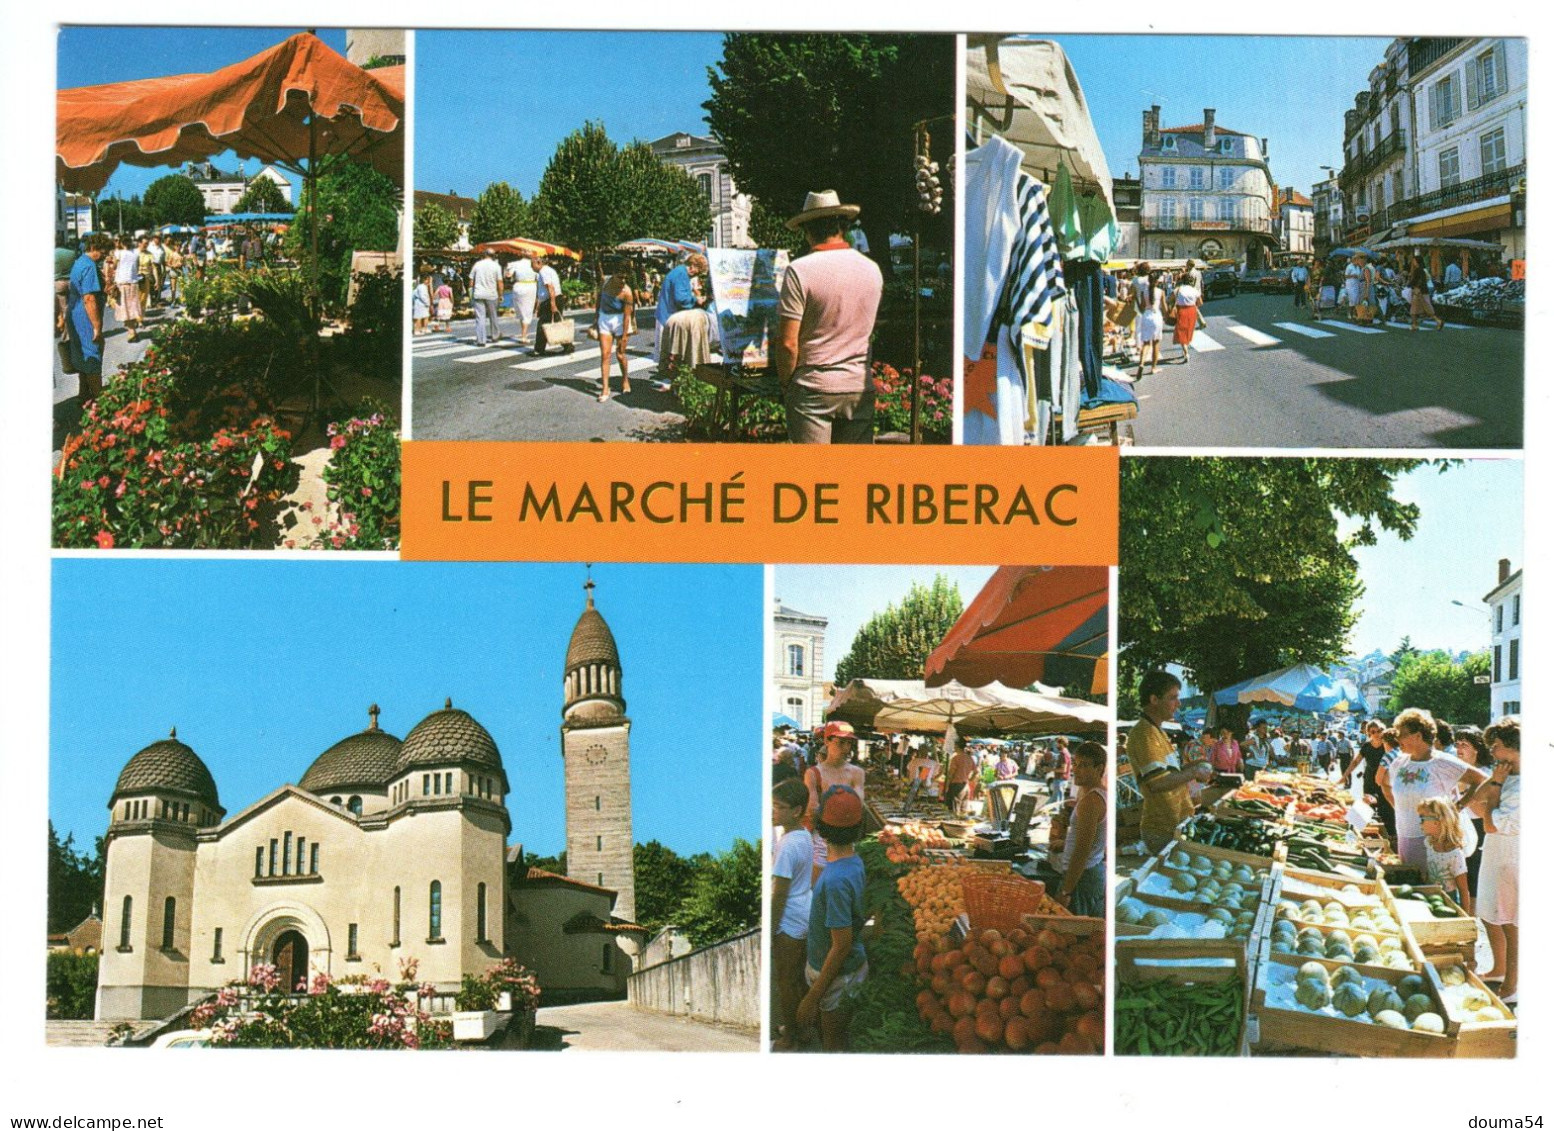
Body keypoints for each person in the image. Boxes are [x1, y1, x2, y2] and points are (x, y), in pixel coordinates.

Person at [774, 190, 884, 444]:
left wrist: (786, 384)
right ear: (842, 226)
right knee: (853, 477)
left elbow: (788, 344)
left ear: (806, 230)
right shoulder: (871, 268)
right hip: (858, 383)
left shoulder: (799, 270)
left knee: (814, 477)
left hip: (814, 387)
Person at [797, 785, 869, 1051]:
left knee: (833, 1042)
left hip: (838, 978)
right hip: (841, 973)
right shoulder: (855, 863)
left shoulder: (835, 880)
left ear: (821, 829)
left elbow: (841, 945)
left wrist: (813, 997)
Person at [1378, 708, 1487, 873]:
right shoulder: (1399, 763)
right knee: (1413, 886)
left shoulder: (1442, 762)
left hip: (1436, 841)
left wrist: (1457, 807)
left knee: (1439, 891)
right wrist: (1399, 808)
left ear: (1418, 736)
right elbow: (1385, 784)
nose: (1397, 737)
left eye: (1401, 734)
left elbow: (1481, 780)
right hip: (1405, 836)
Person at [1126, 671, 1212, 853]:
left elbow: (1168, 774)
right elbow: (1157, 783)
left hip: (1175, 823)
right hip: (1162, 828)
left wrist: (1192, 766)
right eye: (1173, 698)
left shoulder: (1157, 731)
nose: (1178, 704)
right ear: (1154, 699)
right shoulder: (1145, 734)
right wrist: (1194, 772)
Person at [1469, 720, 1518, 1003]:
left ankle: (1512, 984)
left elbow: (1488, 823)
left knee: (1512, 921)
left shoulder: (1524, 783)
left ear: (1512, 747)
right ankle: (1502, 972)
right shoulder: (1506, 774)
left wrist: (1495, 791)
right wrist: (1496, 781)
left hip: (1512, 857)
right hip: (1498, 854)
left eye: (1496, 746)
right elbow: (1478, 799)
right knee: (1496, 916)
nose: (1491, 751)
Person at [770, 777, 814, 1051]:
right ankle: (801, 1028)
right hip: (803, 912)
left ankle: (790, 1038)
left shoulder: (786, 846)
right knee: (798, 980)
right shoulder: (803, 835)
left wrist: (773, 929)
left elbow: (779, 894)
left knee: (787, 982)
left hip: (789, 918)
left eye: (779, 807)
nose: (773, 811)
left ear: (796, 811)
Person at [805, 721, 866, 880]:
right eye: (841, 742)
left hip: (846, 841)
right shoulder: (813, 773)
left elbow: (858, 808)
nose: (846, 748)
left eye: (849, 743)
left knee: (842, 883)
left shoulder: (856, 773)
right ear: (827, 741)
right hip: (822, 839)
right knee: (818, 886)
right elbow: (811, 810)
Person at [1054, 741, 1107, 917]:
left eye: (1083, 765)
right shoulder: (1085, 793)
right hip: (1085, 874)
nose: (1076, 769)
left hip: (1083, 878)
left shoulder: (1092, 801)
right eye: (1075, 764)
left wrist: (1065, 891)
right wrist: (1064, 842)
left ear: (1099, 769)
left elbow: (1082, 851)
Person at [66, 235, 112, 405]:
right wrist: (97, 327)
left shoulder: (79, 262)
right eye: (103, 251)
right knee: (93, 354)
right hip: (84, 317)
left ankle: (84, 393)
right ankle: (100, 400)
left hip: (74, 313)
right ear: (95, 248)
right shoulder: (89, 266)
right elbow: (89, 299)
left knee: (82, 354)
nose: (105, 255)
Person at [1417, 795, 1472, 916]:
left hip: (1449, 903)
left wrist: (1465, 917)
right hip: (1432, 897)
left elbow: (1463, 890)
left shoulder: (1455, 854)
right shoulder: (1429, 843)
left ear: (1437, 822)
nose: (1419, 823)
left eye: (1422, 819)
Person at [1453, 726, 1492, 897]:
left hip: (1478, 829)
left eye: (1465, 745)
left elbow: (1485, 813)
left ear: (1476, 749)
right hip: (1459, 828)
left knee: (1473, 881)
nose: (1459, 749)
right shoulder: (1456, 770)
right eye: (1457, 744)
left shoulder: (1486, 774)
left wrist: (1464, 792)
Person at [595, 261, 635, 402]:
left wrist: (624, 336)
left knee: (620, 354)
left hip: (620, 321)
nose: (623, 281)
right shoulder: (605, 283)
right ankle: (605, 388)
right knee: (605, 355)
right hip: (605, 319)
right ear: (613, 275)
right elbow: (598, 301)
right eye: (620, 277)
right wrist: (595, 320)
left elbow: (627, 316)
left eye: (625, 278)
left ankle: (625, 379)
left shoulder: (627, 292)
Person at [1133, 269, 1166, 377]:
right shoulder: (1161, 292)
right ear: (1157, 281)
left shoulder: (1144, 292)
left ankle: (1141, 364)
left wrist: (1136, 300)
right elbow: (1165, 309)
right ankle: (1153, 367)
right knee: (1156, 343)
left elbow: (1141, 308)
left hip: (1146, 316)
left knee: (1146, 343)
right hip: (1156, 316)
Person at [468, 248, 504, 346]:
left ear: (484, 254)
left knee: (480, 317)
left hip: (478, 294)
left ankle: (481, 340)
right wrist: (501, 295)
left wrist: (470, 293)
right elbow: (500, 282)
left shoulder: (477, 265)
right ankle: (495, 335)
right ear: (493, 256)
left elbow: (471, 281)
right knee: (493, 316)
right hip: (492, 294)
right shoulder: (496, 266)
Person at [532, 254, 566, 355]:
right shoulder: (547, 270)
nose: (531, 267)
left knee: (543, 325)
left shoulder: (544, 271)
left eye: (532, 264)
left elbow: (550, 288)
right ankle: (568, 346)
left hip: (550, 300)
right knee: (556, 323)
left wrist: (552, 304)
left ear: (539, 263)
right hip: (552, 299)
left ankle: (539, 349)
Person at [113, 236, 143, 342]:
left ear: (121, 243)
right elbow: (137, 267)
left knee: (125, 309)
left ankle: (132, 332)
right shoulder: (136, 253)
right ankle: (131, 330)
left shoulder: (118, 253)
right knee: (133, 308)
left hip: (122, 284)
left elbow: (114, 266)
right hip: (133, 283)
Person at [1170, 270, 1204, 364]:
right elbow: (1200, 303)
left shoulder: (1178, 289)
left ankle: (1186, 353)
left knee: (1181, 332)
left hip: (1181, 311)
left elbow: (1170, 299)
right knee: (1188, 331)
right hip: (1192, 311)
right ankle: (1185, 349)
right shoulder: (1195, 290)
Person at [506, 254, 538, 346]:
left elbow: (508, 275)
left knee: (521, 311)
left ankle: (523, 333)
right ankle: (524, 335)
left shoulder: (515, 264)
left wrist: (508, 269)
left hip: (518, 286)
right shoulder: (534, 264)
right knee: (528, 311)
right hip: (530, 286)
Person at [1407, 254, 1445, 331]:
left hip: (1419, 292)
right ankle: (1415, 325)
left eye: (1414, 260)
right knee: (1424, 308)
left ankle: (1437, 321)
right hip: (1423, 291)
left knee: (1415, 309)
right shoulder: (1422, 269)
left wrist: (1413, 286)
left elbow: (1417, 281)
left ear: (1417, 261)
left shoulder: (1418, 270)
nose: (1413, 262)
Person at [945, 735, 977, 814]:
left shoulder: (956, 758)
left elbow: (951, 774)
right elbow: (977, 771)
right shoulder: (969, 758)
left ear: (957, 746)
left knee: (955, 810)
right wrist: (970, 779)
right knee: (963, 810)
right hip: (966, 786)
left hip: (956, 785)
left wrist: (947, 786)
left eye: (955, 746)